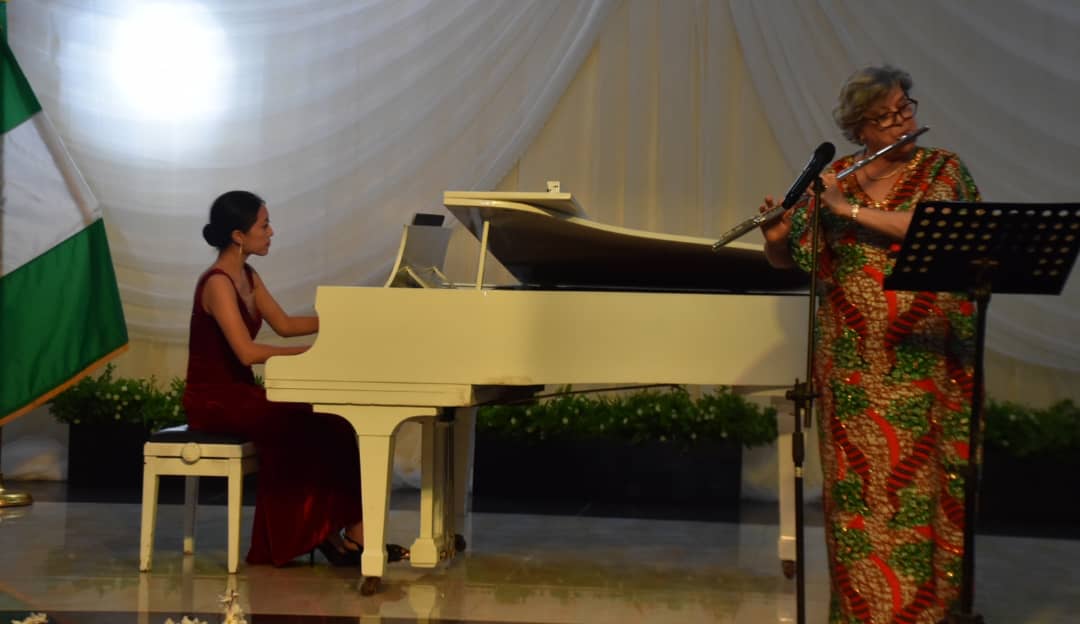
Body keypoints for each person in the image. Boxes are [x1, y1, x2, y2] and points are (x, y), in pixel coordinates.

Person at [760, 66, 980, 623]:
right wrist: (777, 238)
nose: (902, 120)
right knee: (860, 500)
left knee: (918, 495)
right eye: (885, 117)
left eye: (904, 108)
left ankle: (927, 616)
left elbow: (939, 228)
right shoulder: (833, 177)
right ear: (860, 127)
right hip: (853, 371)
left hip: (924, 362)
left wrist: (849, 211)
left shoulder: (941, 168)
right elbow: (794, 261)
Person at [183, 190, 406, 567]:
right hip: (214, 400)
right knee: (308, 420)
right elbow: (247, 353)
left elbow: (285, 325)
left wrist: (347, 320)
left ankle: (341, 531)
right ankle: (321, 534)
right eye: (264, 224)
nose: (272, 232)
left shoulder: (248, 276)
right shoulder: (218, 283)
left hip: (239, 395)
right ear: (239, 235)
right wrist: (315, 353)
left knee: (333, 419)